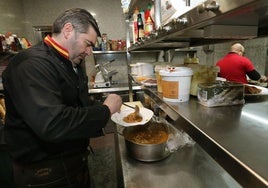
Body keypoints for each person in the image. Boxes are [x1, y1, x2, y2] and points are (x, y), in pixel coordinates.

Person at [2, 8, 122, 188]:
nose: (89, 52)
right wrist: (105, 110)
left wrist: (99, 105)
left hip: (72, 161)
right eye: (88, 43)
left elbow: (74, 102)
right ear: (68, 30)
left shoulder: (70, 62)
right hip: (45, 173)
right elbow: (53, 123)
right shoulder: (32, 64)